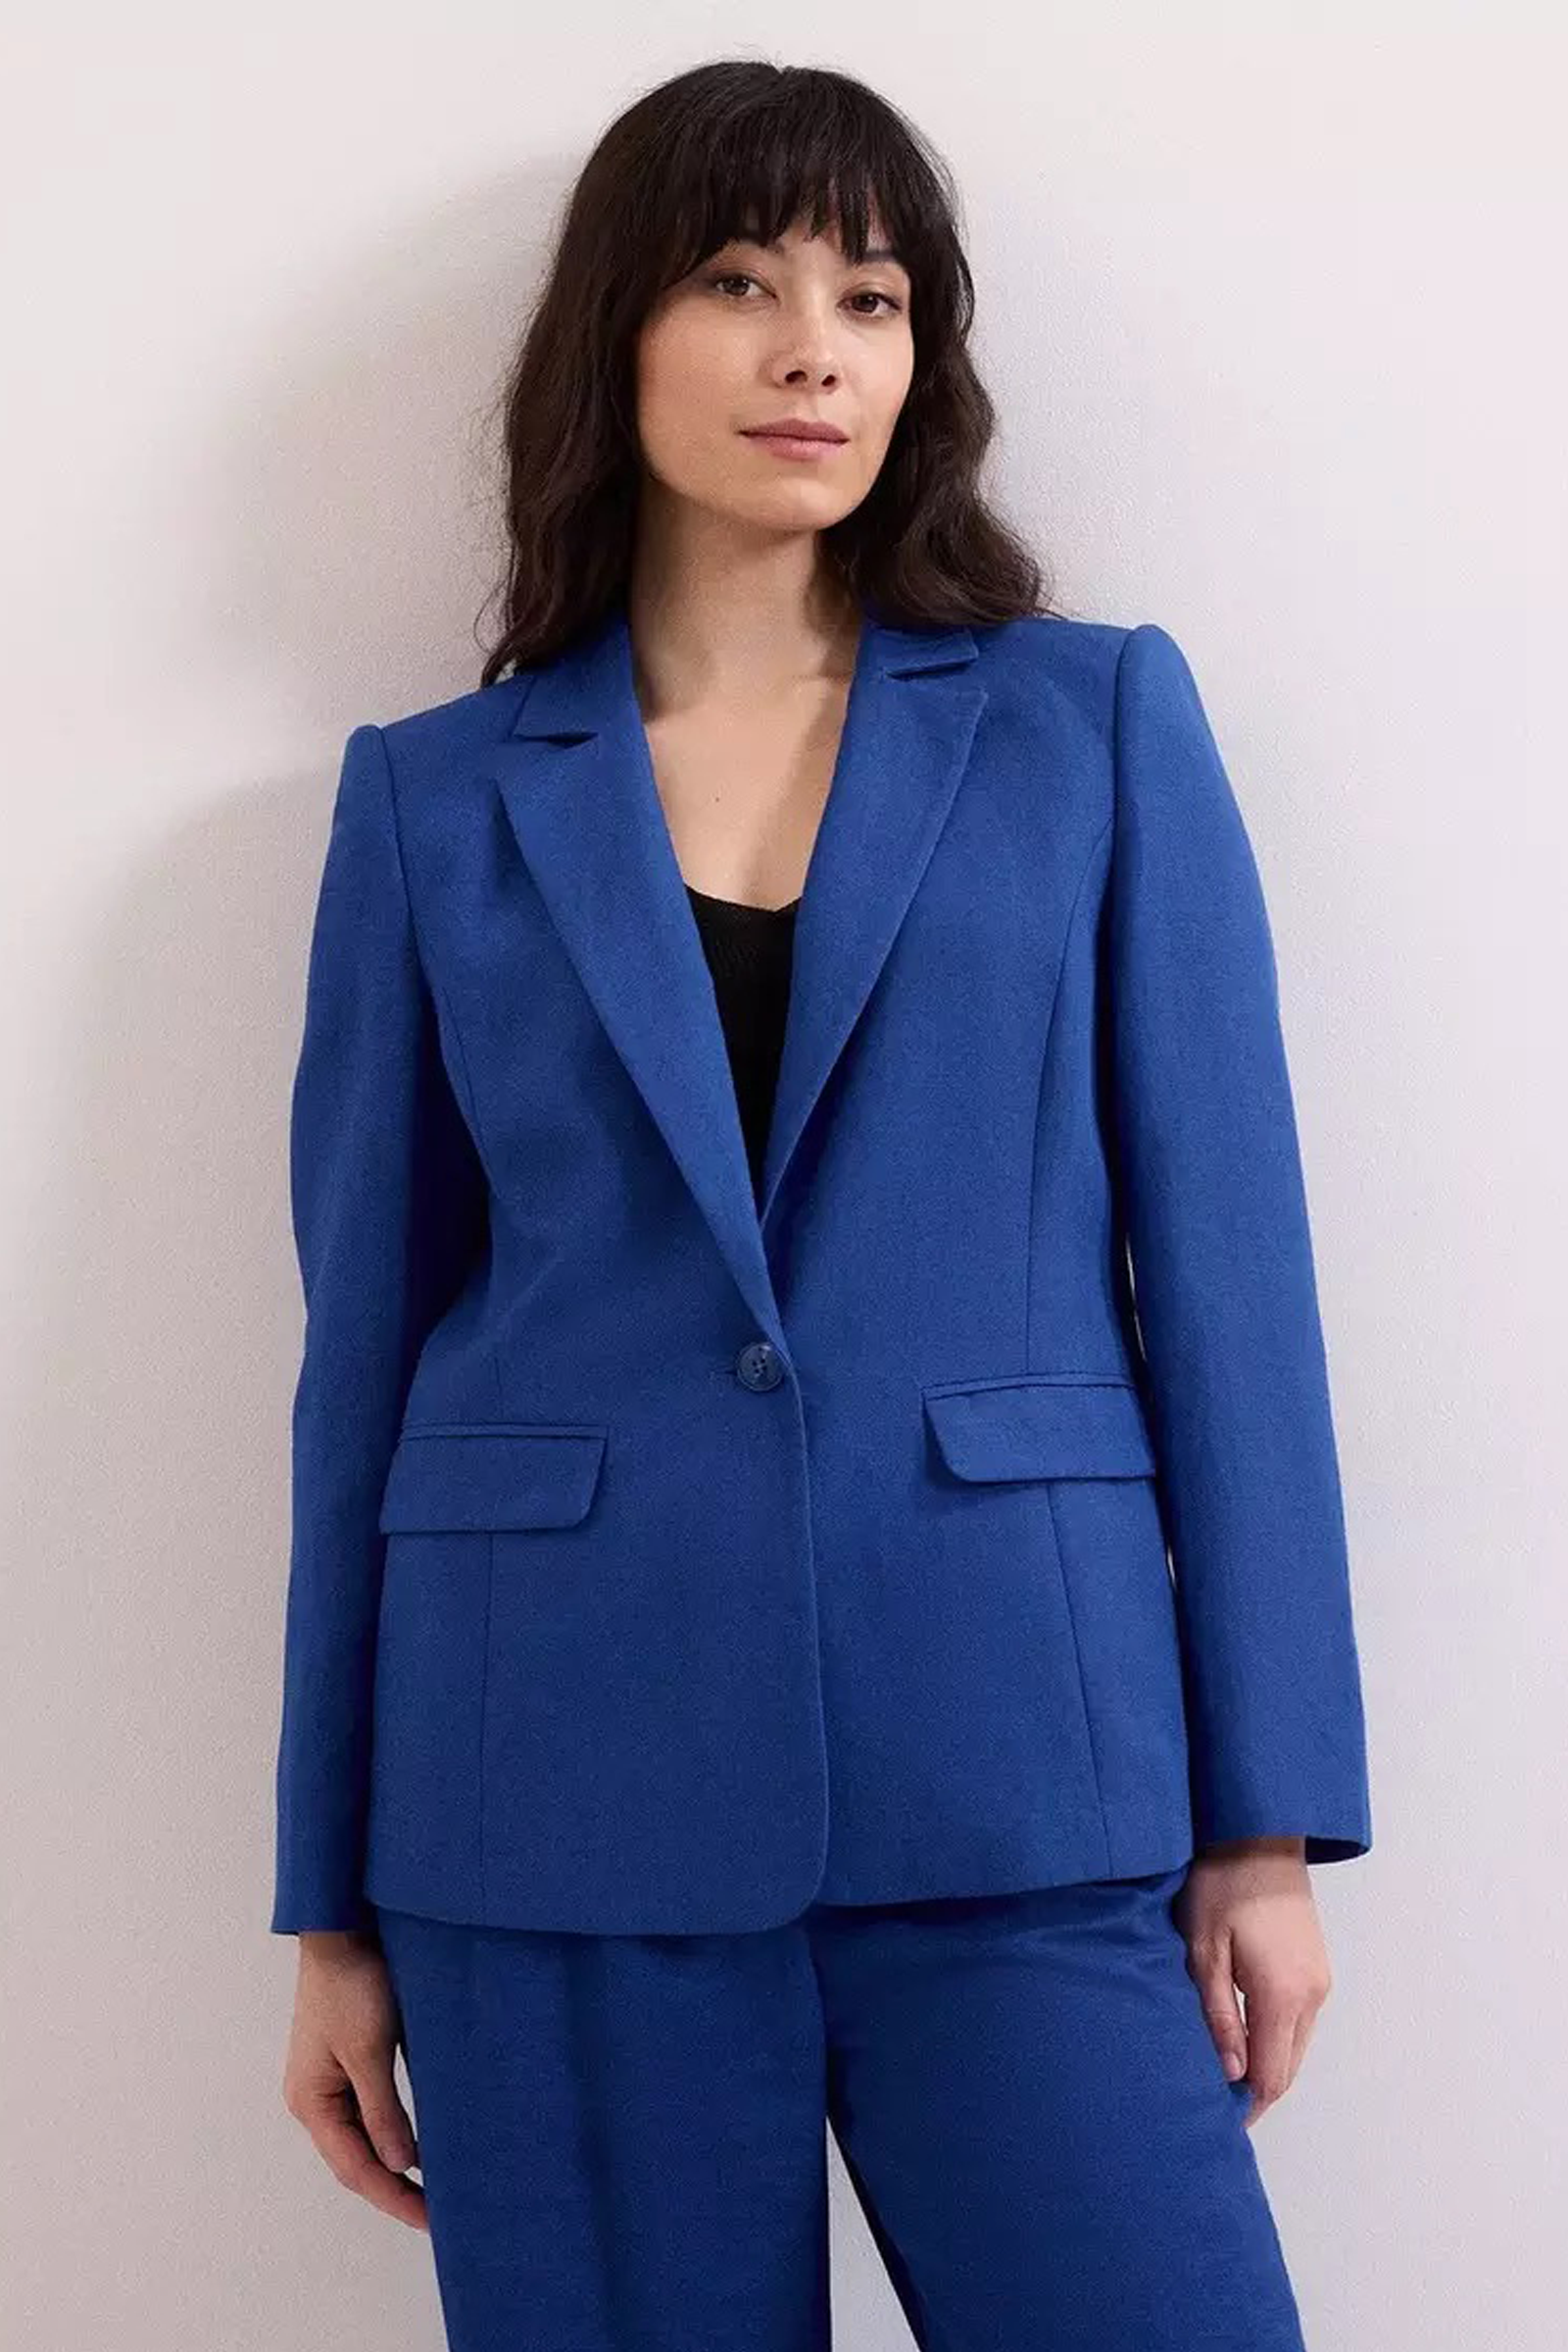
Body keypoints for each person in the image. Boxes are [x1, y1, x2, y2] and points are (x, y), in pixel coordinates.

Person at [271, 58, 1373, 2352]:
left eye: (870, 298)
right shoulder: (432, 803)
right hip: (546, 1806)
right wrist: (331, 1904)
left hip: (1020, 1771)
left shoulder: (1088, 728)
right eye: (739, 283)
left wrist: (1261, 1824)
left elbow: (1232, 1291)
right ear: (614, 335)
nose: (813, 352)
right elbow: (361, 1357)